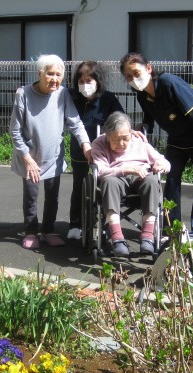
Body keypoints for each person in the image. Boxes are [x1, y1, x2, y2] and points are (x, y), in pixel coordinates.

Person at [119, 52, 193, 233]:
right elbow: (149, 117)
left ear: (148, 68)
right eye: (129, 77)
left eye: (136, 73)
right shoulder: (142, 95)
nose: (133, 79)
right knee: (171, 182)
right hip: (176, 141)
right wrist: (143, 129)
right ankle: (172, 231)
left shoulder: (169, 83)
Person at [9, 54, 91, 250]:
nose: (55, 79)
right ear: (40, 73)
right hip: (30, 157)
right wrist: (27, 158)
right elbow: (15, 131)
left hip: (53, 155)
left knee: (52, 196)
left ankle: (48, 231)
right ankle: (31, 231)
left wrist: (86, 144)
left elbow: (75, 123)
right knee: (31, 195)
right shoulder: (24, 94)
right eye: (50, 74)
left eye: (58, 75)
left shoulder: (62, 94)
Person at [91, 111, 170, 257]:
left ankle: (147, 237)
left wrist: (162, 165)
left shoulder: (139, 141)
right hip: (116, 177)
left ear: (130, 133)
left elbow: (163, 161)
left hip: (141, 175)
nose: (121, 144)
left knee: (152, 181)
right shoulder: (99, 144)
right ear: (107, 135)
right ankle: (117, 239)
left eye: (125, 138)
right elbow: (101, 171)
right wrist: (127, 169)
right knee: (108, 181)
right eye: (115, 140)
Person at [66, 61, 125, 240]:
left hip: (104, 153)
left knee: (102, 188)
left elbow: (121, 120)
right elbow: (51, 92)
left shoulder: (108, 99)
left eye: (89, 80)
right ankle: (75, 224)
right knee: (79, 185)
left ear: (98, 81)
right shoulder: (71, 96)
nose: (85, 85)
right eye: (81, 81)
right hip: (79, 150)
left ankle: (102, 224)